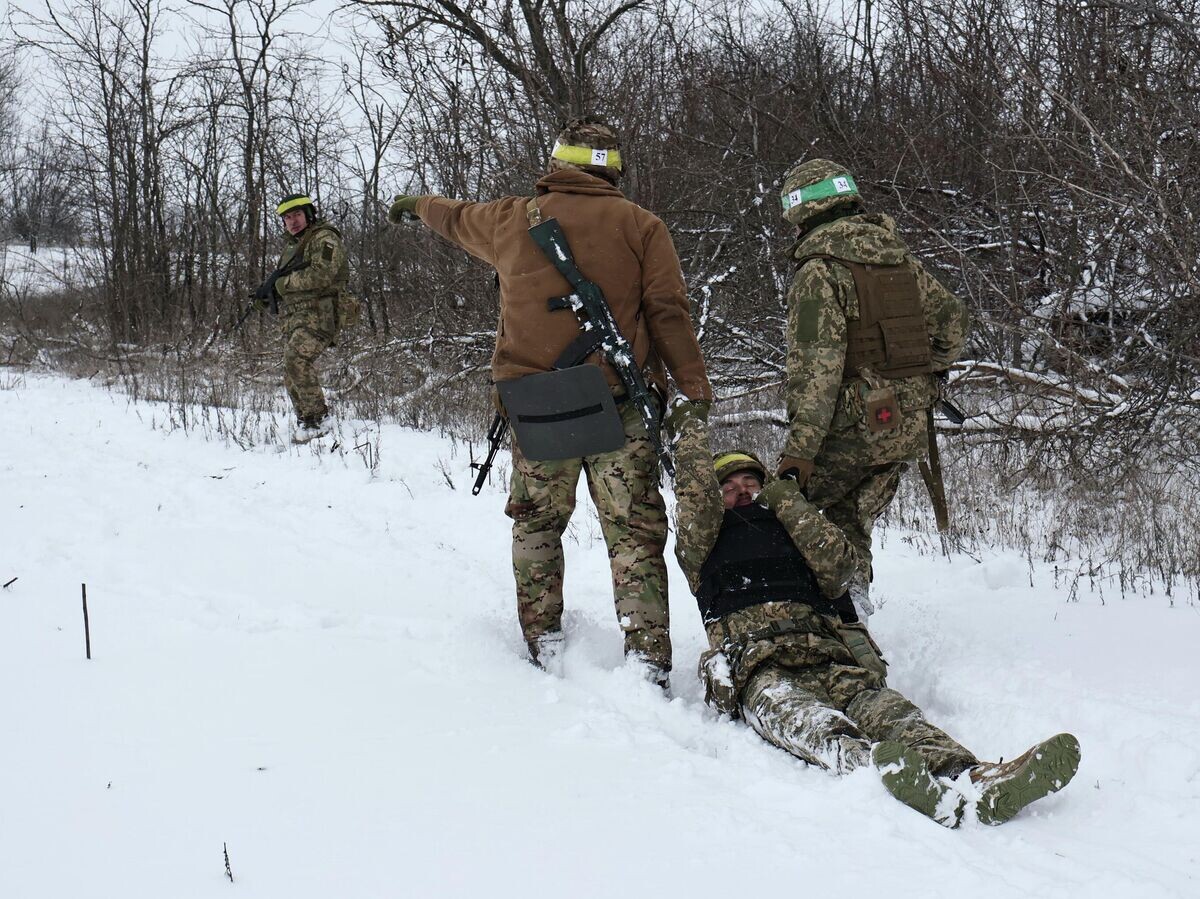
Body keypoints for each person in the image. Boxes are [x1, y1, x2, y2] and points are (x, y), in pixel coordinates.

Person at [389, 118, 712, 683]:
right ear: (612, 169)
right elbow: (667, 313)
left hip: (538, 407)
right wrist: (694, 389)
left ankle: (544, 642)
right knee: (633, 532)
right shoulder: (643, 226)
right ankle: (647, 662)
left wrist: (417, 204)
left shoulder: (509, 219)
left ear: (557, 162)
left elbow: (454, 217)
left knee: (536, 523)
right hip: (620, 405)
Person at [663, 398, 1080, 827]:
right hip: (758, 666)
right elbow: (694, 498)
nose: (742, 491)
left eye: (751, 482)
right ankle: (885, 775)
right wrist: (689, 424)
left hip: (827, 654)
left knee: (893, 714)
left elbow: (841, 567)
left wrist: (788, 503)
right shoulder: (702, 543)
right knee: (814, 725)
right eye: (728, 488)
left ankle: (973, 778)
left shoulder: (794, 531)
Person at [775, 159, 969, 618]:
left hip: (851, 425)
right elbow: (954, 325)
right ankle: (852, 603)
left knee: (787, 511)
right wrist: (924, 374)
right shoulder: (901, 261)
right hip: (905, 423)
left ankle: (797, 611)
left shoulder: (818, 272)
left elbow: (816, 372)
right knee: (853, 517)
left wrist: (800, 453)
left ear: (802, 211)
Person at [259, 193, 350, 443]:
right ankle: (305, 421)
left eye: (297, 214)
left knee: (296, 359)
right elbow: (291, 283)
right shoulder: (293, 246)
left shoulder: (324, 238)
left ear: (308, 214)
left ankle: (318, 420)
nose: (293, 221)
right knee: (290, 369)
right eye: (287, 217)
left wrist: (282, 285)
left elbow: (321, 275)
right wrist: (268, 295)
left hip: (322, 314)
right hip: (298, 316)